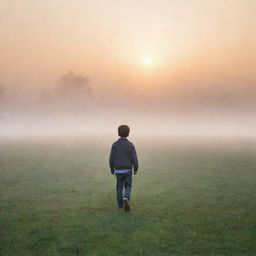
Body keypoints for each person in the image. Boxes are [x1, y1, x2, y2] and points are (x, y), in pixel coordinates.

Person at [109, 125, 139, 211]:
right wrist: (135, 169)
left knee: (119, 186)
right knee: (128, 185)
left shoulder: (114, 145)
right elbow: (134, 158)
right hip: (128, 170)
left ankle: (120, 204)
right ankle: (126, 197)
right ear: (128, 133)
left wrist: (112, 169)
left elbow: (111, 158)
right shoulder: (130, 145)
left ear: (118, 133)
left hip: (118, 170)